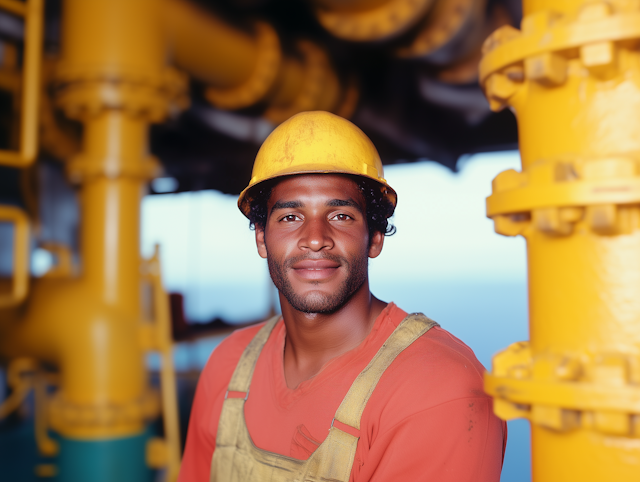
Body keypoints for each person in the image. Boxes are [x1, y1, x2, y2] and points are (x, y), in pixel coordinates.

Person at [179, 111, 507, 482]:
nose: (315, 237)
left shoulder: (437, 391)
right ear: (260, 239)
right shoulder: (228, 365)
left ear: (376, 238)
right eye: (290, 217)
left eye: (341, 216)